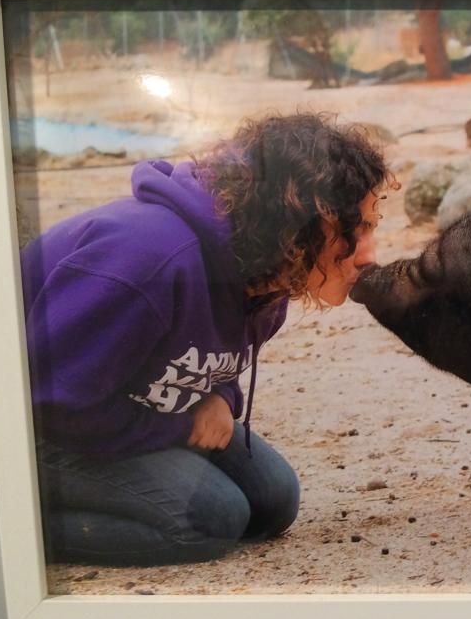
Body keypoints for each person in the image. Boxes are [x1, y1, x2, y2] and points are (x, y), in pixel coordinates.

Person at [22, 112, 396, 566]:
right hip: (31, 427)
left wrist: (219, 396)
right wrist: (180, 426)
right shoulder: (147, 261)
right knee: (210, 519)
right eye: (354, 230)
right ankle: (3, 528)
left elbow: (207, 360)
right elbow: (49, 400)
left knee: (274, 501)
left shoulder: (272, 276)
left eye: (371, 226)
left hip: (128, 407)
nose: (370, 254)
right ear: (295, 219)